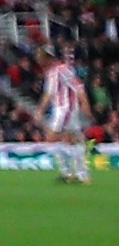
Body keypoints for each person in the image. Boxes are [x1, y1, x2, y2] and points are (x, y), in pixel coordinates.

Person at [47, 52, 91, 187]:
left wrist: (85, 105)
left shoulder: (62, 72)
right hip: (70, 110)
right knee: (73, 140)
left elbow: (79, 89)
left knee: (53, 139)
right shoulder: (68, 72)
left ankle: (71, 173)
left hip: (66, 110)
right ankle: (80, 175)